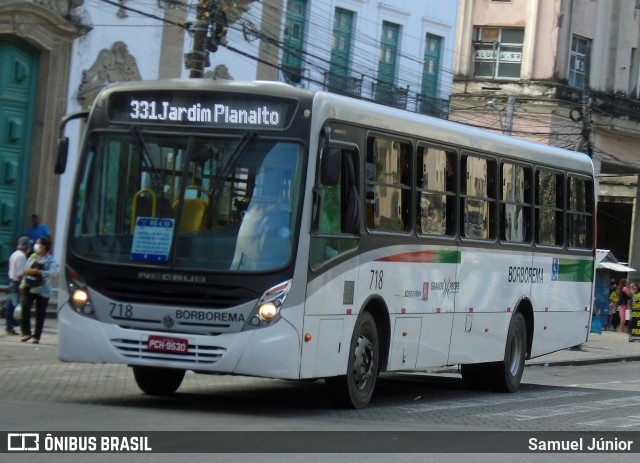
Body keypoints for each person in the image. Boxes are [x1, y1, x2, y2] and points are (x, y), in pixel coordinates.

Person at [20, 237, 57, 344]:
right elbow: (25, 268)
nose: (36, 245)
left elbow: (54, 272)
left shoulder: (50, 259)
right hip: (29, 286)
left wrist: (41, 272)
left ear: (44, 246)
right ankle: (26, 332)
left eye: (38, 243)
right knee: (25, 307)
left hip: (43, 289)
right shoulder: (32, 256)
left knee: (40, 312)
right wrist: (32, 271)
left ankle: (37, 336)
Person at [3, 236, 31, 335]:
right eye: (28, 245)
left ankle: (9, 327)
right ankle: (23, 329)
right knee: (18, 308)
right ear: (25, 246)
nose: (29, 247)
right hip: (17, 284)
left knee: (10, 307)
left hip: (11, 282)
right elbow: (20, 275)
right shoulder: (21, 257)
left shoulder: (14, 254)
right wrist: (23, 287)